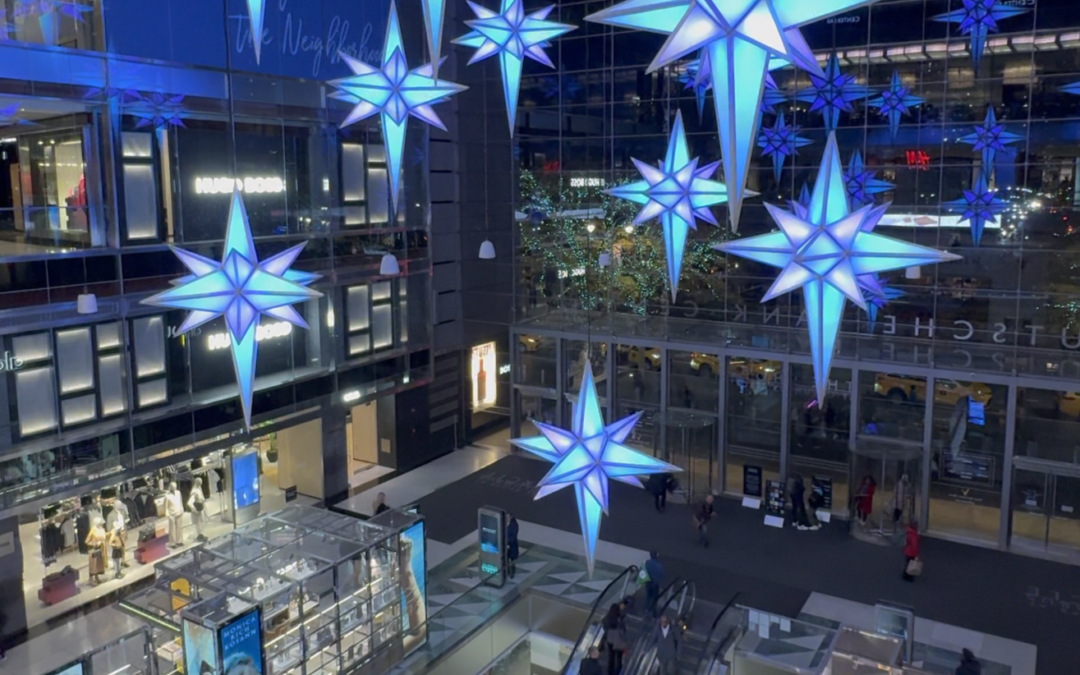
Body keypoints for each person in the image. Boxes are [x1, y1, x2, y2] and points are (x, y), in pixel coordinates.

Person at [604, 602, 627, 675]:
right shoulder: (618, 619)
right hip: (618, 640)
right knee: (619, 659)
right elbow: (623, 630)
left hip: (610, 640)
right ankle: (617, 672)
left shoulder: (607, 618)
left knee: (611, 657)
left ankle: (610, 672)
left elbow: (605, 627)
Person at [644, 551, 664, 617]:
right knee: (654, 598)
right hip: (655, 583)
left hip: (648, 582)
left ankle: (646, 609)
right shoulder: (659, 565)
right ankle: (654, 613)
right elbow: (662, 574)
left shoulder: (647, 563)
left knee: (648, 597)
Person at [506, 512, 520, 579]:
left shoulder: (514, 525)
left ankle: (512, 573)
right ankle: (508, 571)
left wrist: (506, 541)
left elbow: (513, 537)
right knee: (506, 559)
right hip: (507, 546)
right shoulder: (507, 523)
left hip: (512, 546)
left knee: (512, 561)